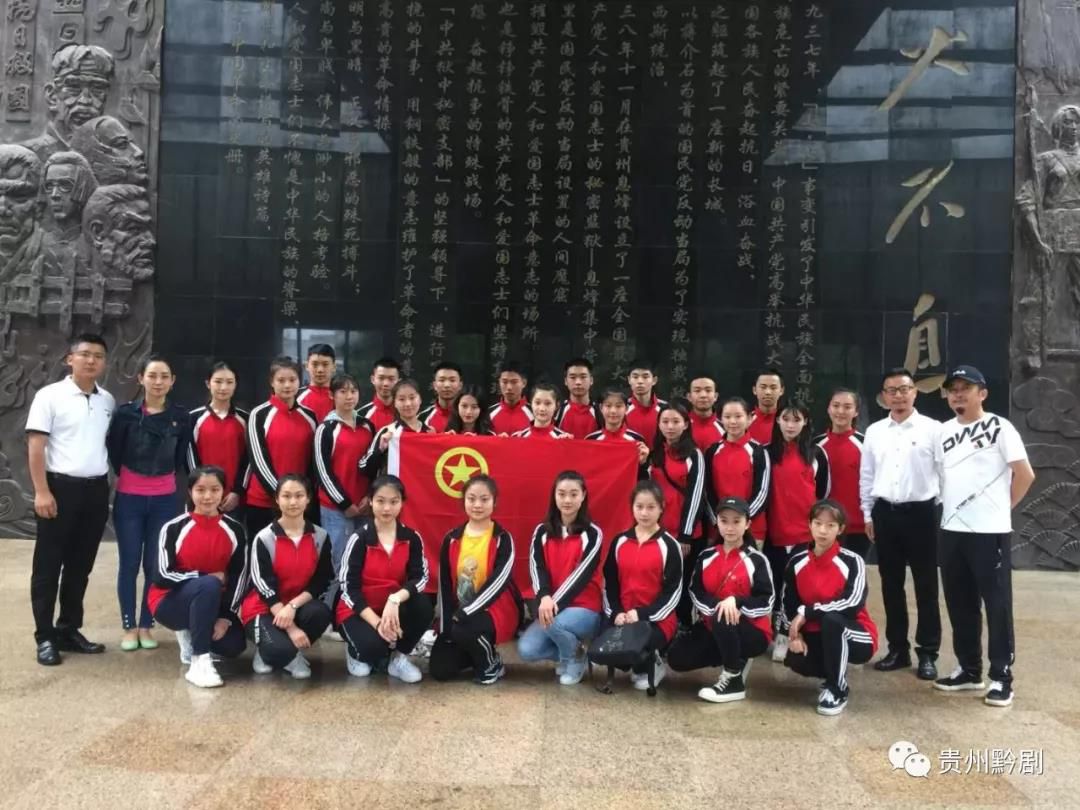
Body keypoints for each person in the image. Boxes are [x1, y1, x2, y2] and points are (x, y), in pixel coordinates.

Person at [933, 366, 1035, 707]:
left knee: (997, 604)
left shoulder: (1000, 427)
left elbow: (1025, 474)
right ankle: (969, 669)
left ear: (983, 393)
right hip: (952, 530)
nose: (958, 394)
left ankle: (1001, 676)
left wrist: (1003, 508)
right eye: (953, 389)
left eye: (966, 387)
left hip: (989, 532)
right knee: (960, 602)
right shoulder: (943, 432)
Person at [26, 333, 115, 666]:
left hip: (95, 491)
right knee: (48, 566)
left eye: (98, 356)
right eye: (85, 354)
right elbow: (36, 446)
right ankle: (45, 636)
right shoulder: (50, 396)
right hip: (58, 489)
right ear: (70, 359)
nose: (91, 360)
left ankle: (68, 628)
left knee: (80, 566)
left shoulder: (107, 401)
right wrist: (41, 491)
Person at [859, 368, 942, 680]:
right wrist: (868, 514)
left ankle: (928, 652)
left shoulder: (933, 429)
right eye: (891, 390)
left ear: (914, 392)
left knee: (926, 586)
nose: (898, 395)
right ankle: (898, 649)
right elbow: (867, 475)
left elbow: (944, 473)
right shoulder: (875, 432)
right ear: (884, 396)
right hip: (886, 514)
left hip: (923, 514)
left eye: (904, 389)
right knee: (891, 585)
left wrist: (940, 511)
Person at [106, 354, 191, 652]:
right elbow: (115, 452)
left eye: (164, 376)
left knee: (154, 564)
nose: (158, 382)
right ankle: (129, 626)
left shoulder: (181, 417)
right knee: (129, 563)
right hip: (129, 499)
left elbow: (180, 457)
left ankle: (146, 623)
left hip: (165, 501)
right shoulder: (126, 414)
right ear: (141, 378)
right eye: (152, 375)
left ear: (172, 381)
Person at [667, 497, 774, 703]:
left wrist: (737, 603)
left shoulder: (757, 560)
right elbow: (695, 591)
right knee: (677, 658)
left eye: (736, 521)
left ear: (748, 524)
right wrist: (717, 607)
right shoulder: (706, 556)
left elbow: (766, 601)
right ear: (717, 522)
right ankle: (734, 656)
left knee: (724, 615)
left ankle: (733, 679)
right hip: (713, 626)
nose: (730, 527)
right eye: (724, 521)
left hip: (752, 632)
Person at [149, 466, 248, 688]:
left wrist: (226, 617)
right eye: (200, 490)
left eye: (215, 489)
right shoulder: (174, 528)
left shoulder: (235, 530)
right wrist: (204, 577)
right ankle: (199, 661)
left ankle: (196, 632)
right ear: (190, 492)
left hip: (214, 602)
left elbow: (239, 576)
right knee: (209, 584)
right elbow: (160, 575)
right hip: (170, 602)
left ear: (223, 492)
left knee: (234, 645)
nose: (207, 496)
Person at [782, 500, 879, 716]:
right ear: (810, 525)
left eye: (831, 525)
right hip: (816, 633)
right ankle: (831, 673)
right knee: (797, 659)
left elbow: (852, 603)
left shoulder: (853, 561)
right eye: (818, 523)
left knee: (833, 621)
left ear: (840, 529)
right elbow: (788, 605)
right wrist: (795, 635)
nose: (823, 531)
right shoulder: (796, 562)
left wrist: (808, 612)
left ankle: (838, 689)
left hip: (857, 634)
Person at [336, 475, 433, 683]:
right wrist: (378, 623)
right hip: (359, 610)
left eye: (393, 501)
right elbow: (348, 588)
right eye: (380, 501)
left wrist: (395, 599)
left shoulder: (411, 538)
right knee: (373, 651)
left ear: (402, 503)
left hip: (393, 607)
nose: (387, 508)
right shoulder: (359, 538)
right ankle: (355, 651)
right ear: (370, 501)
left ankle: (398, 658)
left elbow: (420, 578)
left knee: (423, 605)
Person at [431, 475, 523, 684]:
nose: (477, 505)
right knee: (441, 669)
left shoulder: (502, 538)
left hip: (497, 609)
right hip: (460, 615)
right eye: (471, 499)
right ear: (463, 501)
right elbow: (445, 586)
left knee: (464, 628)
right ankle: (475, 652)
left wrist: (466, 612)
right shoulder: (452, 538)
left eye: (484, 499)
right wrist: (445, 628)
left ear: (494, 502)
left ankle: (491, 664)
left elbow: (498, 583)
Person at [239, 475, 333, 679]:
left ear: (308, 498)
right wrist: (292, 629)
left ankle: (289, 651)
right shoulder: (264, 538)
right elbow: (264, 586)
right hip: (263, 608)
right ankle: (270, 650)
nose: (293, 502)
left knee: (320, 613)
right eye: (286, 496)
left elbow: (321, 580)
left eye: (299, 496)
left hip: (297, 605)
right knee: (277, 651)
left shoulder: (320, 536)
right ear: (277, 499)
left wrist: (292, 606)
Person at [518, 471, 604, 685]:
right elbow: (536, 567)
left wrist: (552, 604)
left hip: (585, 607)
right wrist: (544, 596)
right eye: (562, 494)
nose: (567, 500)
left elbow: (581, 575)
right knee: (527, 650)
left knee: (551, 624)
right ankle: (574, 653)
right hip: (551, 605)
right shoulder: (541, 531)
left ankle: (573, 660)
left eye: (573, 494)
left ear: (583, 496)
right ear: (554, 496)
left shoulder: (593, 533)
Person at [602, 481, 683, 690]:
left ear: (661, 508)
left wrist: (642, 614)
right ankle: (635, 662)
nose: (644, 513)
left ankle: (652, 663)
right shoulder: (619, 541)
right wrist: (616, 613)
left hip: (656, 620)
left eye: (651, 507)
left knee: (638, 643)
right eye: (639, 507)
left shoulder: (669, 545)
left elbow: (673, 593)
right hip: (623, 615)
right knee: (605, 649)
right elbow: (610, 583)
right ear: (632, 507)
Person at [765, 402, 830, 663]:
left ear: (805, 422)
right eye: (786, 419)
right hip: (774, 531)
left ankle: (788, 633)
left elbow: (823, 493)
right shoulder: (766, 453)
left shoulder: (817, 453)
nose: (790, 425)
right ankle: (775, 632)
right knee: (774, 584)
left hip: (805, 534)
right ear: (777, 421)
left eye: (797, 420)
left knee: (796, 588)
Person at [245, 356, 318, 540]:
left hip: (299, 503)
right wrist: (282, 496)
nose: (287, 385)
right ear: (272, 382)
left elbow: (312, 462)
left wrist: (300, 496)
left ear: (300, 381)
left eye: (292, 380)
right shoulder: (258, 414)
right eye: (281, 380)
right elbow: (258, 460)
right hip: (263, 502)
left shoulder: (309, 416)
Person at [647, 399, 705, 625]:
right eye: (665, 421)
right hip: (658, 531)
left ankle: (684, 624)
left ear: (686, 424)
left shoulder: (694, 455)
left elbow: (696, 495)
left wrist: (685, 535)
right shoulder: (654, 454)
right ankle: (662, 623)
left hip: (684, 533)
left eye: (675, 421)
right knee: (661, 580)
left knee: (683, 580)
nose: (670, 426)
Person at [314, 373, 375, 575]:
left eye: (353, 391)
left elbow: (373, 465)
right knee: (337, 560)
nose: (349, 396)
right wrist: (344, 504)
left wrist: (370, 497)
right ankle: (336, 596)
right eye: (343, 391)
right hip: (335, 509)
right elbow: (323, 472)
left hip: (364, 506)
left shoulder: (367, 426)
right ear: (332, 395)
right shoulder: (326, 429)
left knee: (363, 560)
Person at [23, 44, 114, 161]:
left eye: (97, 89)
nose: (85, 101)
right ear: (52, 96)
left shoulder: (118, 159)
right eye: (74, 88)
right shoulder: (25, 157)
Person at [704, 397, 770, 545]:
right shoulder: (712, 451)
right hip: (718, 529)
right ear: (721, 419)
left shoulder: (758, 452)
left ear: (749, 419)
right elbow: (707, 491)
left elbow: (762, 492)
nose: (732, 421)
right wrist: (719, 521)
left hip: (752, 529)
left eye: (738, 416)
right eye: (727, 417)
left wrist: (742, 521)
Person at [187, 361, 248, 517]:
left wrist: (237, 491)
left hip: (234, 499)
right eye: (218, 381)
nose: (223, 387)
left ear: (236, 385)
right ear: (208, 383)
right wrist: (201, 490)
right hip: (201, 498)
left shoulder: (245, 419)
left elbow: (248, 460)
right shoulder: (193, 418)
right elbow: (190, 459)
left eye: (229, 382)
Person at [815, 388, 869, 559]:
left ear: (856, 412)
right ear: (828, 408)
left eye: (847, 407)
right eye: (836, 405)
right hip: (823, 526)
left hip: (857, 527)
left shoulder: (866, 444)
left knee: (853, 572)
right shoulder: (815, 446)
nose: (840, 411)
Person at [360, 378, 434, 478]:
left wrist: (447, 439)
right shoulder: (387, 432)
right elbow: (363, 467)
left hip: (421, 486)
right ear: (394, 402)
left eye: (412, 398)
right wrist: (380, 449)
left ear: (420, 399)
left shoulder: (429, 432)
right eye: (401, 399)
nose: (408, 404)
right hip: (394, 487)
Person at [585, 387, 650, 467]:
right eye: (608, 406)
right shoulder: (591, 440)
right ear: (601, 408)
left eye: (618, 406)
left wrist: (642, 462)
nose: (613, 411)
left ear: (626, 408)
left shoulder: (637, 440)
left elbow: (642, 472)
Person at [555, 357, 601, 439]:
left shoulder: (600, 412)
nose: (578, 382)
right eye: (573, 377)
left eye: (583, 377)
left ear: (591, 380)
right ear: (565, 381)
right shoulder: (557, 411)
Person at [625, 359, 666, 449]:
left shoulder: (666, 409)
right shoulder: (623, 409)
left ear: (654, 380)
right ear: (629, 380)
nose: (640, 381)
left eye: (645, 377)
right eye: (635, 377)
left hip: (659, 457)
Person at [489, 360, 533, 435]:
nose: (509, 387)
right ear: (499, 382)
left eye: (514, 382)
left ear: (524, 383)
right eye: (504, 382)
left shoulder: (535, 414)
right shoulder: (489, 414)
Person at [358, 356, 401, 432]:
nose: (386, 383)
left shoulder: (408, 412)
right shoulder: (361, 416)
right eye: (381, 378)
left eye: (391, 379)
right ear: (373, 379)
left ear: (399, 382)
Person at [297, 344, 336, 423]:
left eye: (325, 364)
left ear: (334, 367)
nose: (320, 370)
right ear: (307, 366)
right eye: (315, 364)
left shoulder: (342, 397)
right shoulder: (295, 397)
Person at [420, 361, 464, 432]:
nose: (447, 385)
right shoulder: (422, 418)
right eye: (442, 380)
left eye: (452, 380)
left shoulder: (469, 416)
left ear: (460, 385)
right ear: (434, 385)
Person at [747, 368, 784, 446]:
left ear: (781, 390)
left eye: (773, 388)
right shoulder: (745, 422)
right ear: (754, 390)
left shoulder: (787, 423)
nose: (768, 392)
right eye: (763, 387)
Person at [687, 374, 723, 451]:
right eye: (697, 391)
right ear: (689, 397)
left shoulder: (726, 428)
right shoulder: (680, 427)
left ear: (715, 396)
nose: (703, 395)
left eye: (708, 390)